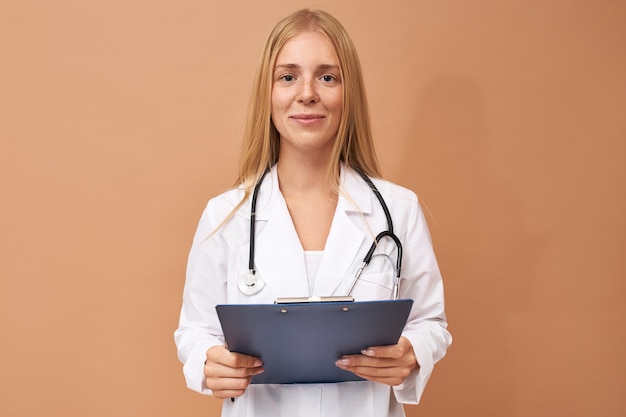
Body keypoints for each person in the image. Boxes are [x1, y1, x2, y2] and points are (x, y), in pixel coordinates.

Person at [174, 8, 451, 417]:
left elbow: (431, 323)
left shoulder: (398, 210)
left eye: (327, 76)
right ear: (267, 93)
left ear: (348, 92)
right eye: (288, 76)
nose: (307, 93)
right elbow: (195, 330)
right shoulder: (225, 216)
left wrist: (413, 352)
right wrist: (207, 362)